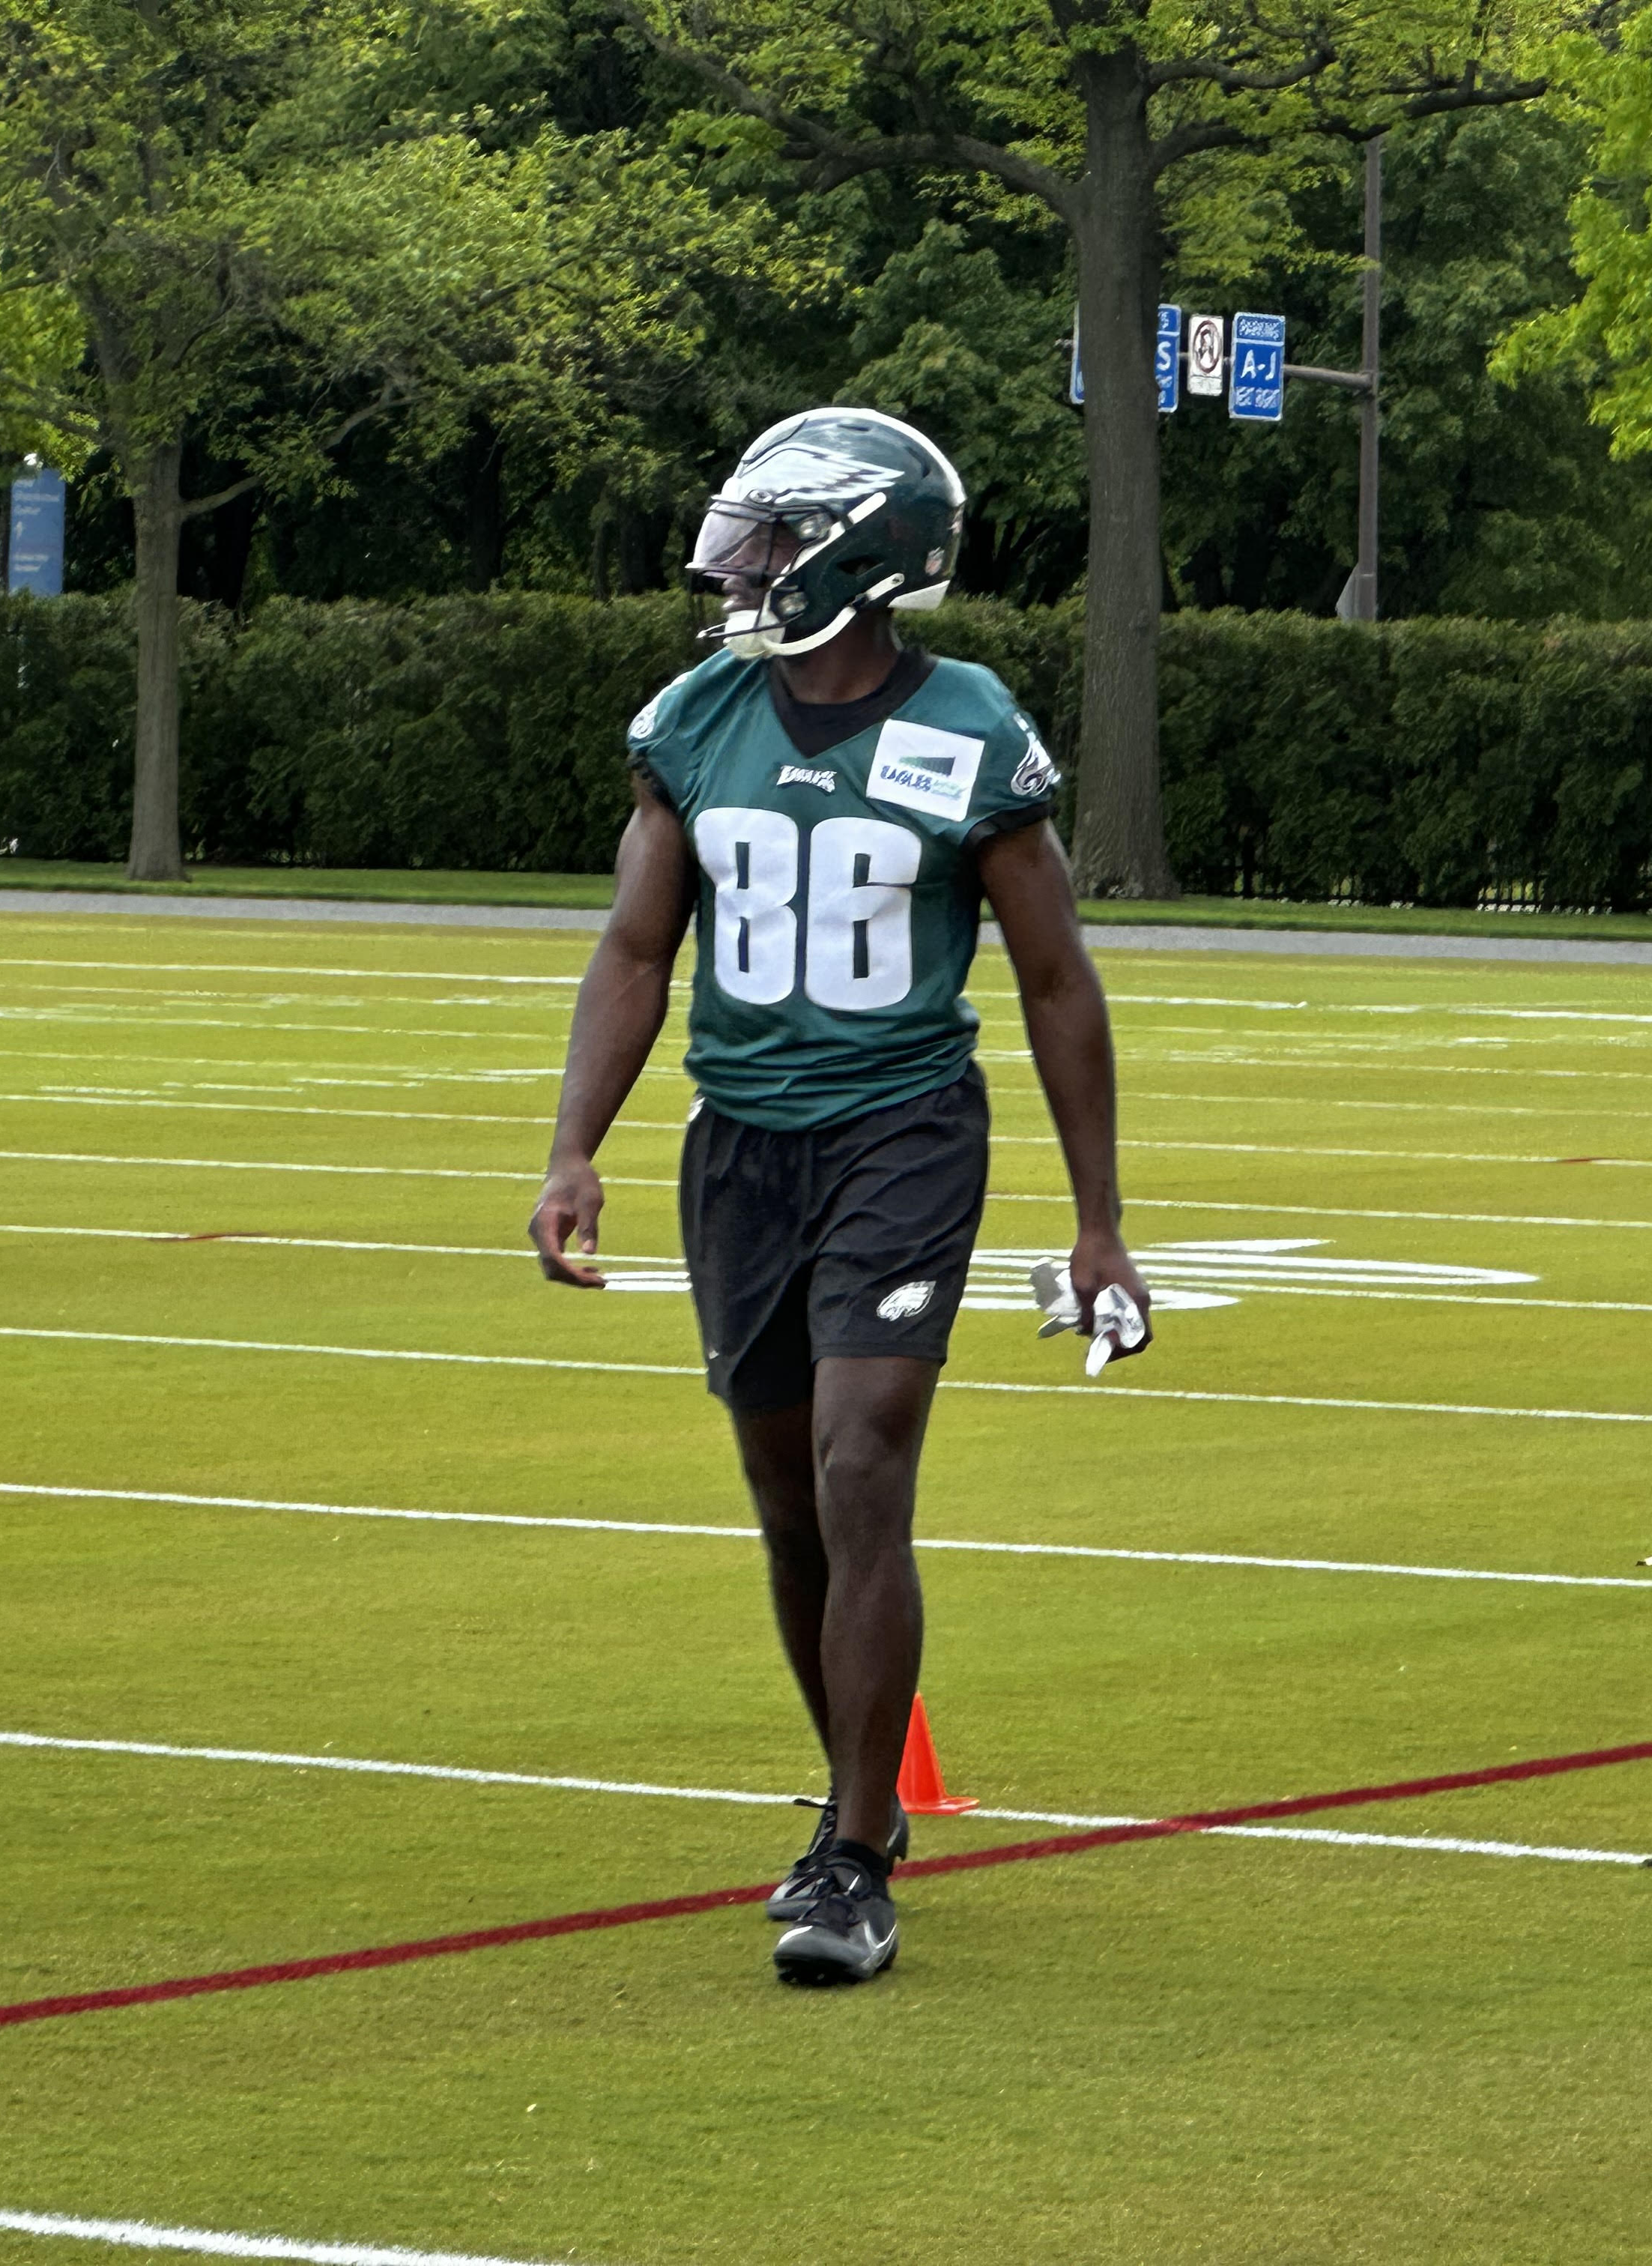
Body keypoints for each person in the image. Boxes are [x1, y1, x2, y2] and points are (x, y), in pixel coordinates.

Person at [529, 408, 1149, 1987]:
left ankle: (853, 1851)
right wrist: (573, 1145)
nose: (745, 568)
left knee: (861, 1461)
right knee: (789, 1503)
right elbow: (635, 950)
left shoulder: (969, 725)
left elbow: (1058, 978)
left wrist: (1097, 1222)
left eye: (777, 541)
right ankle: (863, 1797)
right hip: (740, 1146)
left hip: (903, 1130)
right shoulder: (697, 719)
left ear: (864, 556)